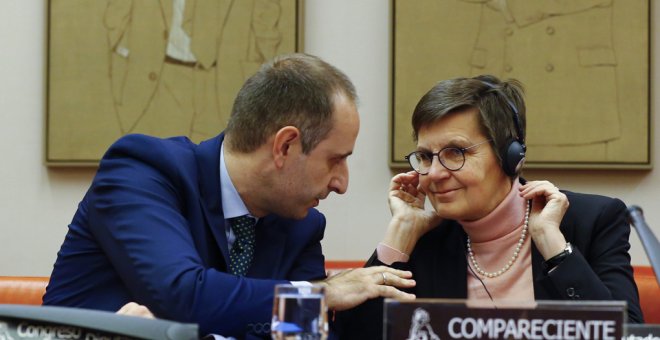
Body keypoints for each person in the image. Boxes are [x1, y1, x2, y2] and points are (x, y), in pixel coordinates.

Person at [43, 53, 416, 339]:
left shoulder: (301, 226)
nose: (341, 183)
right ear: (285, 146)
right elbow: (183, 293)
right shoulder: (143, 172)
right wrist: (317, 294)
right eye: (335, 160)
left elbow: (302, 334)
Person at [336, 74, 643, 339]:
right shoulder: (427, 241)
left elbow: (627, 334)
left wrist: (553, 245)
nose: (436, 173)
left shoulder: (591, 220)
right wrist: (401, 231)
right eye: (426, 157)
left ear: (510, 156)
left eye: (455, 152)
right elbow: (354, 337)